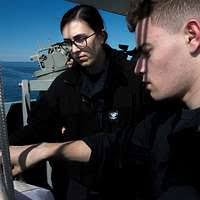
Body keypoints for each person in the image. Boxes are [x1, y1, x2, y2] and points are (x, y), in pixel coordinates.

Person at [8, 4, 155, 200]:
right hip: (76, 185)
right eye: (69, 42)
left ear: (102, 36)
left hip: (126, 185)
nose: (74, 49)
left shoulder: (133, 79)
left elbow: (139, 139)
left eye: (80, 39)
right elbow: (39, 126)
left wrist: (48, 149)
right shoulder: (64, 84)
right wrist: (6, 146)